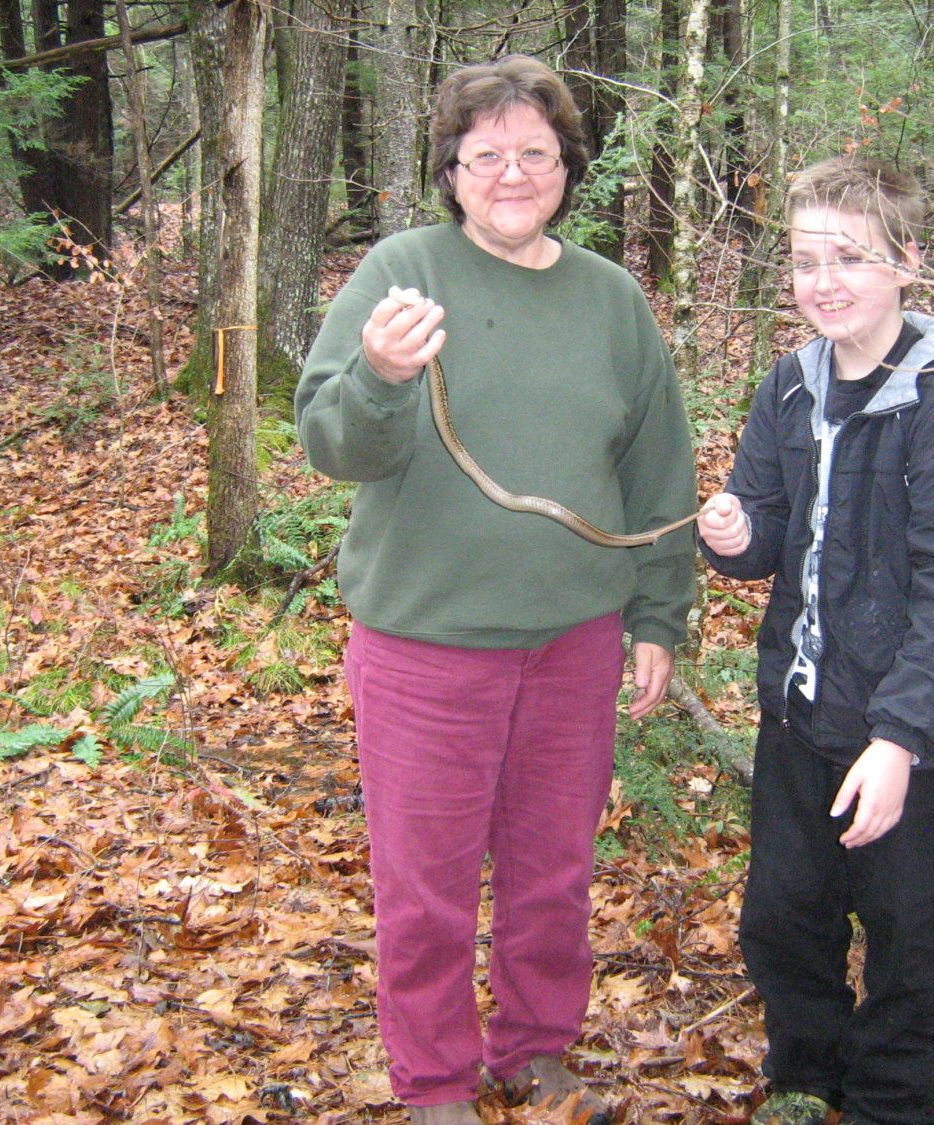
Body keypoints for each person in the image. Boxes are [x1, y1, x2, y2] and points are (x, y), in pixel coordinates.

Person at [295, 55, 696, 1125]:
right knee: (424, 886)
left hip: (575, 641)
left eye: (534, 153)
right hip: (426, 645)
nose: (512, 174)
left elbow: (659, 470)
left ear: (566, 167)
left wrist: (658, 615)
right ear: (451, 171)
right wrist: (380, 375)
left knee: (552, 873)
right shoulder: (402, 272)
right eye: (485, 156)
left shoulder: (610, 299)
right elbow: (329, 442)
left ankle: (536, 1050)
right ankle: (434, 1083)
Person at [696, 155, 934, 1125]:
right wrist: (737, 536)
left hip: (925, 734)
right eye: (805, 261)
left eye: (851, 258)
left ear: (906, 262)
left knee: (908, 940)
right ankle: (804, 1083)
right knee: (784, 916)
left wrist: (899, 740)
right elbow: (766, 528)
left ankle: (886, 1104)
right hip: (804, 713)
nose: (824, 282)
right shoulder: (791, 385)